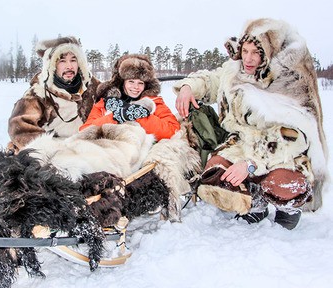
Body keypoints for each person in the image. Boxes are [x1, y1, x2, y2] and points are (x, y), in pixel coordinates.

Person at [174, 18, 328, 230]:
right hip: (241, 143)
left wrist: (251, 164)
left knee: (282, 185)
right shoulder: (234, 71)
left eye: (256, 52)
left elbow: (293, 137)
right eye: (245, 51)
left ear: (269, 51)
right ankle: (255, 203)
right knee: (214, 174)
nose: (248, 58)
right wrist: (188, 87)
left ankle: (288, 206)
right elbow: (211, 81)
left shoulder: (289, 82)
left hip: (280, 151)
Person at [8, 36, 100, 153]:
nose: (69, 66)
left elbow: (116, 94)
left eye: (73, 60)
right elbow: (20, 127)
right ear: (52, 65)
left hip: (86, 147)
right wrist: (53, 150)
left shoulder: (90, 85)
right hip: (55, 152)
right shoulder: (38, 94)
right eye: (62, 61)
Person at [80, 54, 180, 141]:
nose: (136, 87)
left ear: (146, 85)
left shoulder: (155, 102)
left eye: (140, 83)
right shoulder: (105, 103)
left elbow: (173, 131)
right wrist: (115, 116)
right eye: (131, 81)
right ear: (122, 82)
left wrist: (139, 116)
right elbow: (85, 131)